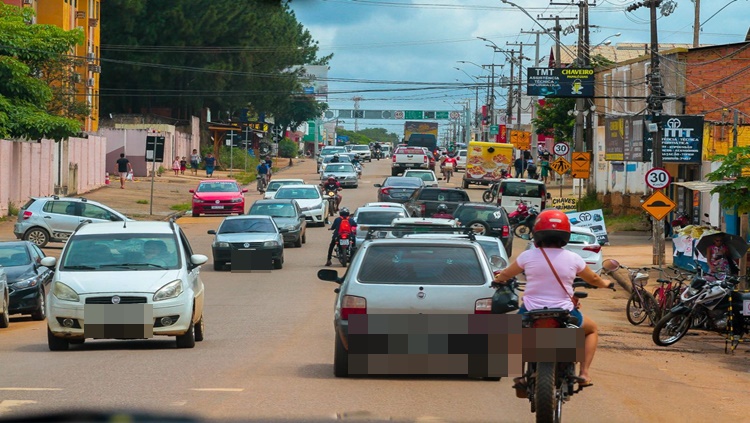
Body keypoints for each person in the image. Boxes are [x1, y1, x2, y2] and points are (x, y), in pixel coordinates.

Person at [493, 209, 613, 392]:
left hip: (531, 311)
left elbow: (506, 274)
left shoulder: (527, 256)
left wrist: (498, 280)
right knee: (592, 330)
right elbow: (594, 279)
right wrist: (605, 283)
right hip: (564, 311)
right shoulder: (574, 258)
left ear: (537, 234)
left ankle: (519, 374)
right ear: (565, 235)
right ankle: (585, 373)